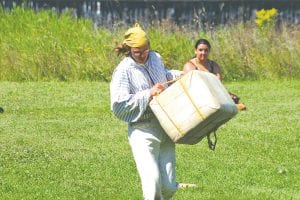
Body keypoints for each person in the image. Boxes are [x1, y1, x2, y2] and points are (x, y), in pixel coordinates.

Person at [110, 23, 182, 200]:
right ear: (129, 49)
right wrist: (148, 94)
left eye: (145, 50)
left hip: (165, 126)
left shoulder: (156, 57)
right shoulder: (123, 71)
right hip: (142, 130)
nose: (143, 55)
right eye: (137, 52)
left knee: (169, 187)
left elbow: (164, 75)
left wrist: (181, 74)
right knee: (153, 185)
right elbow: (118, 104)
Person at [183, 38, 246, 111]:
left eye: (206, 50)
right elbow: (193, 88)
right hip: (197, 96)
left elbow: (218, 84)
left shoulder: (214, 65)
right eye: (200, 50)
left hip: (214, 93)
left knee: (233, 97)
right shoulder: (189, 66)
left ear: (209, 51)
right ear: (195, 51)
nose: (203, 53)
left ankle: (232, 104)